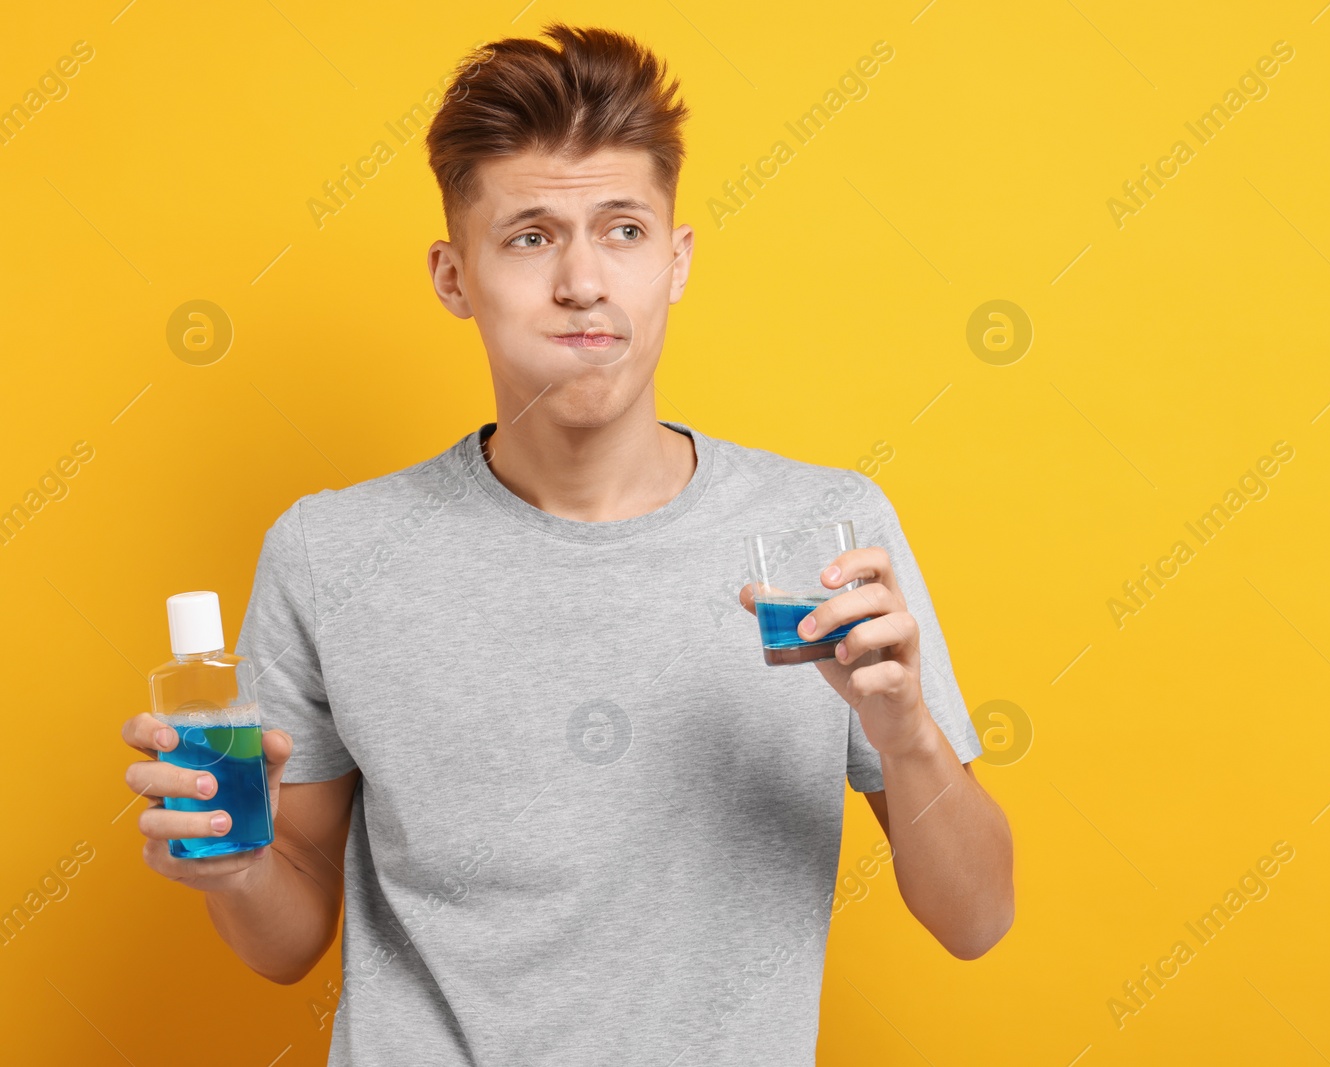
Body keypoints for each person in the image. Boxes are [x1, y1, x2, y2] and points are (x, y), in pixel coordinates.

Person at [119, 23, 1012, 1066]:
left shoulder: (823, 532)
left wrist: (903, 729)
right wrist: (228, 863)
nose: (584, 281)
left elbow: (977, 917)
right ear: (455, 276)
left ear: (675, 261)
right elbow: (289, 933)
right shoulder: (330, 552)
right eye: (532, 235)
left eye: (624, 231)